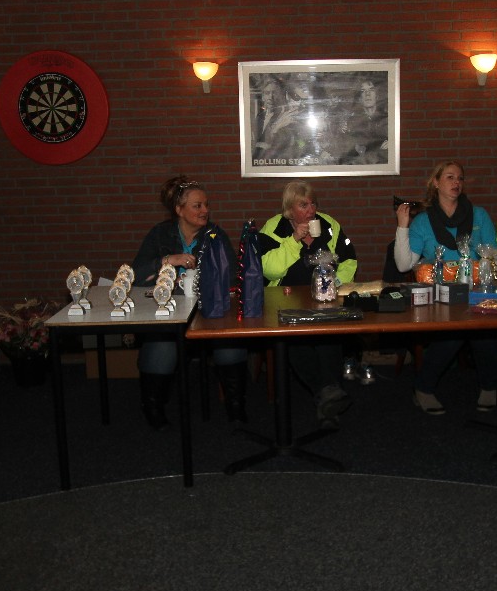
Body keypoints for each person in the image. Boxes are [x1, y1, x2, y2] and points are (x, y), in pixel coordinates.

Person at [131, 176, 247, 430]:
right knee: (162, 345)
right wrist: (167, 260)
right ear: (179, 209)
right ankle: (152, 407)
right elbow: (136, 275)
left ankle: (236, 407)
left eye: (206, 205)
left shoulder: (215, 234)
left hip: (208, 310)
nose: (205, 210)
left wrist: (208, 278)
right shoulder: (160, 234)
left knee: (230, 343)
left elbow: (232, 277)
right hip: (169, 310)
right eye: (197, 206)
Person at [392, 161, 497, 414]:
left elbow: (494, 257)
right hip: (440, 294)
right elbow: (403, 264)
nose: (456, 183)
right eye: (450, 177)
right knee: (454, 330)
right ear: (436, 183)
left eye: (460, 178)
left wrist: (480, 269)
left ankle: (489, 387)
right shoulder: (423, 221)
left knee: (484, 330)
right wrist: (402, 226)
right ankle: (423, 388)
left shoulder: (479, 215)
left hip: (475, 289)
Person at [257, 180, 358, 427]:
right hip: (284, 299)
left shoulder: (329, 225)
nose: (311, 210)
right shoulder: (273, 228)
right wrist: (294, 239)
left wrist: (336, 283)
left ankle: (327, 396)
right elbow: (269, 270)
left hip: (325, 297)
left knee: (329, 335)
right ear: (289, 209)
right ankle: (328, 392)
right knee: (296, 339)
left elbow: (349, 260)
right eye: (303, 205)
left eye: (313, 204)